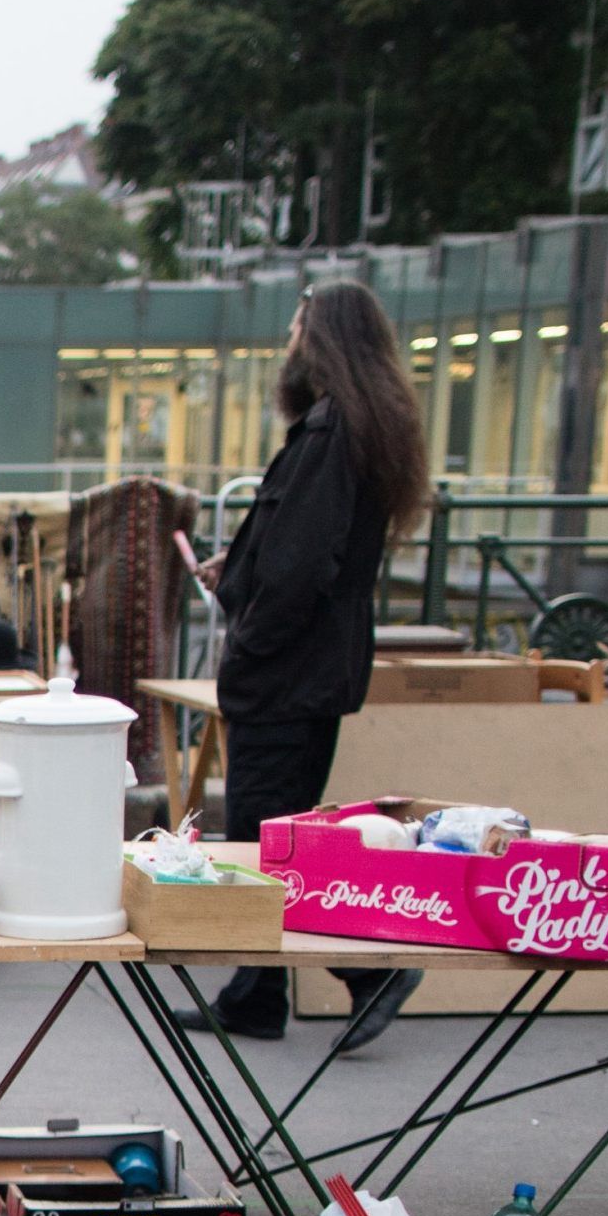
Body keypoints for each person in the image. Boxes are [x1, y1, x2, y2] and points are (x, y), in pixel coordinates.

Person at [172, 278, 432, 1050]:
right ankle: (256, 992)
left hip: (287, 672)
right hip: (312, 669)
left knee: (269, 843)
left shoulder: (329, 435)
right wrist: (242, 568)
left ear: (319, 341)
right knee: (274, 835)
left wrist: (249, 631)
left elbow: (301, 569)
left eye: (295, 327)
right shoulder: (356, 429)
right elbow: (302, 553)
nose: (288, 341)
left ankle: (369, 970)